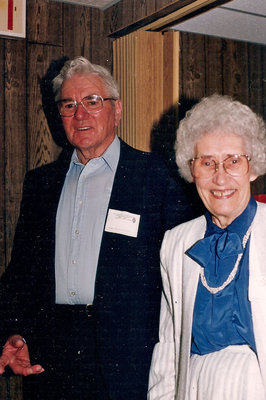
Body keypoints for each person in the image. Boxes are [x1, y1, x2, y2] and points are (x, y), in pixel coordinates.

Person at [0, 57, 196, 400]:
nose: (80, 114)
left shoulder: (158, 179)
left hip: (129, 363)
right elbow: (22, 275)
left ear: (116, 110)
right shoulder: (41, 184)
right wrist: (16, 332)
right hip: (51, 356)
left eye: (92, 101)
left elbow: (181, 277)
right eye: (69, 105)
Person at [148, 94, 266, 400]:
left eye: (234, 161)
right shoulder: (176, 243)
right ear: (192, 170)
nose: (220, 176)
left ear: (253, 167)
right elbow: (168, 348)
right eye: (207, 162)